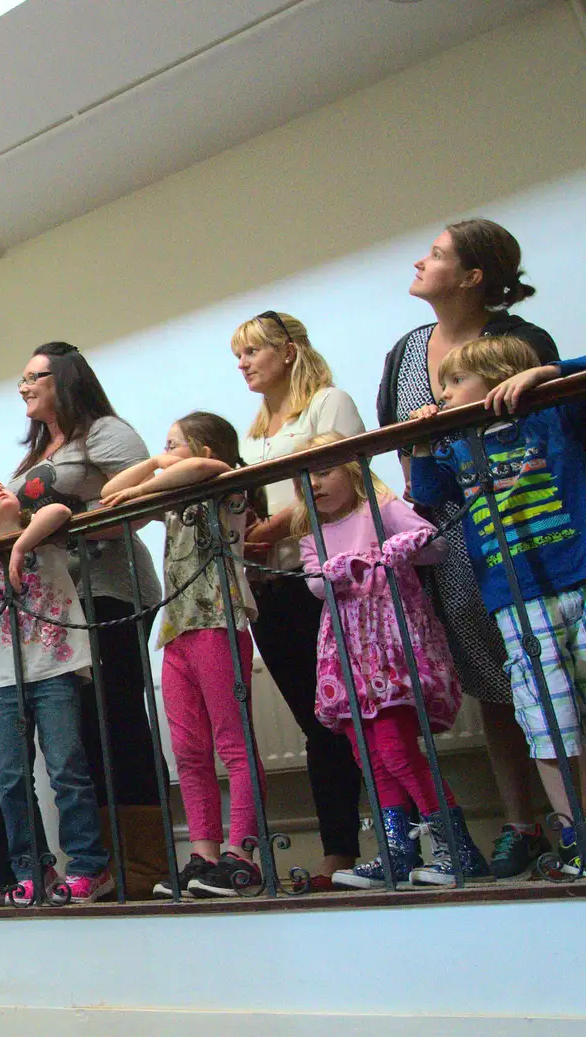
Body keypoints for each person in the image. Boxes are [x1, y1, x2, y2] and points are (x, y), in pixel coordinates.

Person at [379, 219, 560, 878]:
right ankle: (524, 822)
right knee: (491, 683)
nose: (420, 261)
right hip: (444, 532)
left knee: (550, 666)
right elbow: (399, 444)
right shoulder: (405, 352)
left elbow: (550, 414)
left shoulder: (518, 340)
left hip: (520, 522)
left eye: (436, 254)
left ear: (474, 275)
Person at [411, 338, 586, 876]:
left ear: (500, 378)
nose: (443, 396)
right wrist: (421, 442)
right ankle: (574, 830)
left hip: (576, 577)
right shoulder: (458, 443)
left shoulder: (552, 414)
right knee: (547, 719)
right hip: (515, 602)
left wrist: (544, 376)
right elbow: (428, 493)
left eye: (454, 383)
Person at [293, 435, 486, 888]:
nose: (313, 484)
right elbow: (317, 585)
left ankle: (457, 848)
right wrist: (356, 562)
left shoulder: (380, 508)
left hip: (393, 650)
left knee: (397, 748)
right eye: (304, 478)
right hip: (349, 655)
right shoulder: (312, 536)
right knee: (368, 754)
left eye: (324, 471)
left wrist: (398, 550)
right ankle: (398, 851)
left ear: (354, 471)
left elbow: (432, 546)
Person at [10, 341, 165, 897]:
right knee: (80, 734)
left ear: (66, 379)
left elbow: (145, 502)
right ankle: (100, 861)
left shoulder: (104, 432)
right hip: (59, 605)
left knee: (117, 719)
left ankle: (145, 865)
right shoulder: (33, 454)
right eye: (22, 379)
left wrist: (65, 527)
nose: (24, 386)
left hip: (110, 591)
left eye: (35, 377)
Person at [99, 412, 265, 899]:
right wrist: (151, 464)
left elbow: (204, 470)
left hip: (219, 620)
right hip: (178, 629)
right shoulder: (170, 496)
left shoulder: (227, 482)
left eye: (174, 444)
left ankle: (242, 854)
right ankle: (204, 853)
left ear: (205, 448)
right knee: (190, 752)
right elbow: (113, 492)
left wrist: (159, 476)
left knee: (233, 744)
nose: (164, 454)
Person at [233, 313, 365, 887]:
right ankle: (339, 850)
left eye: (252, 352)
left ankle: (397, 839)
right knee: (315, 721)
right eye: (238, 356)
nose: (243, 364)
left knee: (355, 714)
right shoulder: (255, 431)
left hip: (327, 575)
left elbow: (346, 478)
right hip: (276, 584)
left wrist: (268, 531)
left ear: (287, 352)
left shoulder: (328, 403)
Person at [0, 480, 113, 904]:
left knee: (66, 768)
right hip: (4, 676)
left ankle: (89, 866)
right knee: (11, 777)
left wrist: (19, 547)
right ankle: (32, 866)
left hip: (56, 667)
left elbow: (59, 514)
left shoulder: (40, 525)